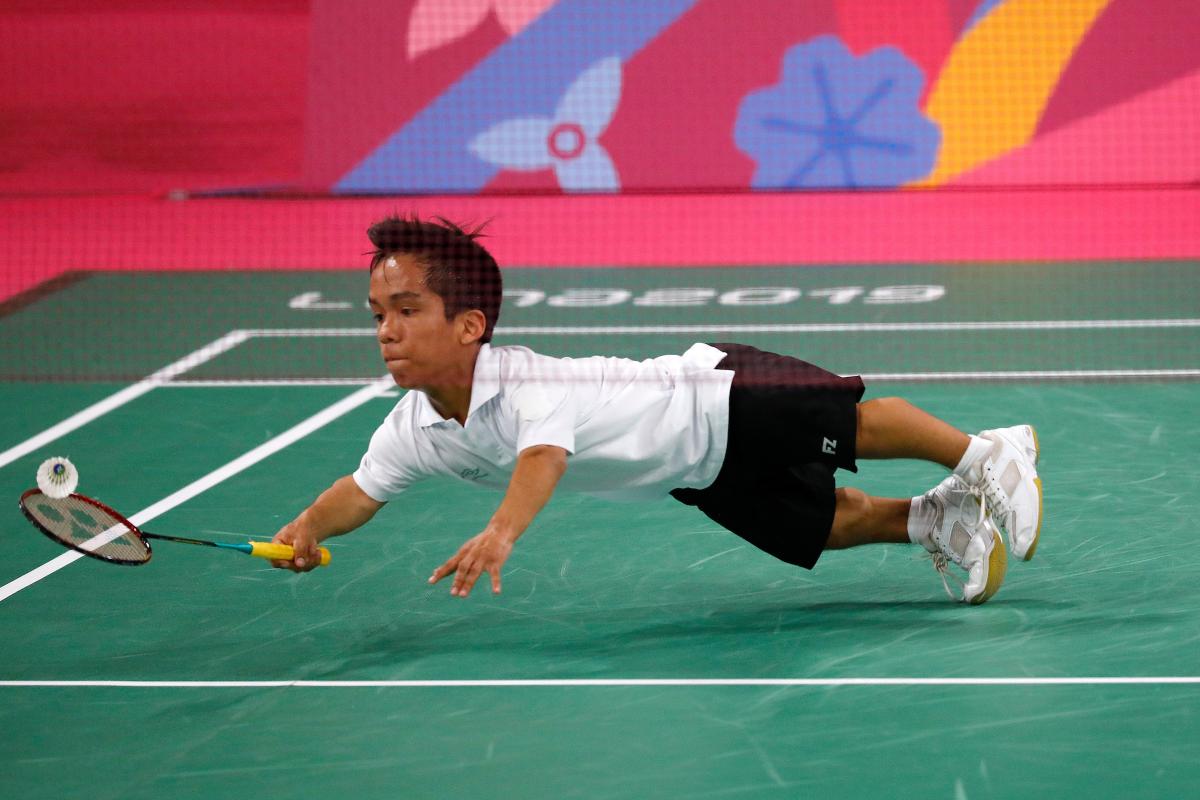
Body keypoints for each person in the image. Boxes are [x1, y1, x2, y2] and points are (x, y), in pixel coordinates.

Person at [271, 215, 1042, 605]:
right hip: (692, 472)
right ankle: (937, 520)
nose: (387, 332)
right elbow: (361, 488)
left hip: (710, 396)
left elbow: (545, 457)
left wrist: (501, 531)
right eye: (377, 315)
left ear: (469, 326)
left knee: (852, 422)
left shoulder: (525, 383)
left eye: (405, 310)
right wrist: (309, 525)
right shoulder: (415, 428)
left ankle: (986, 454)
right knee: (820, 524)